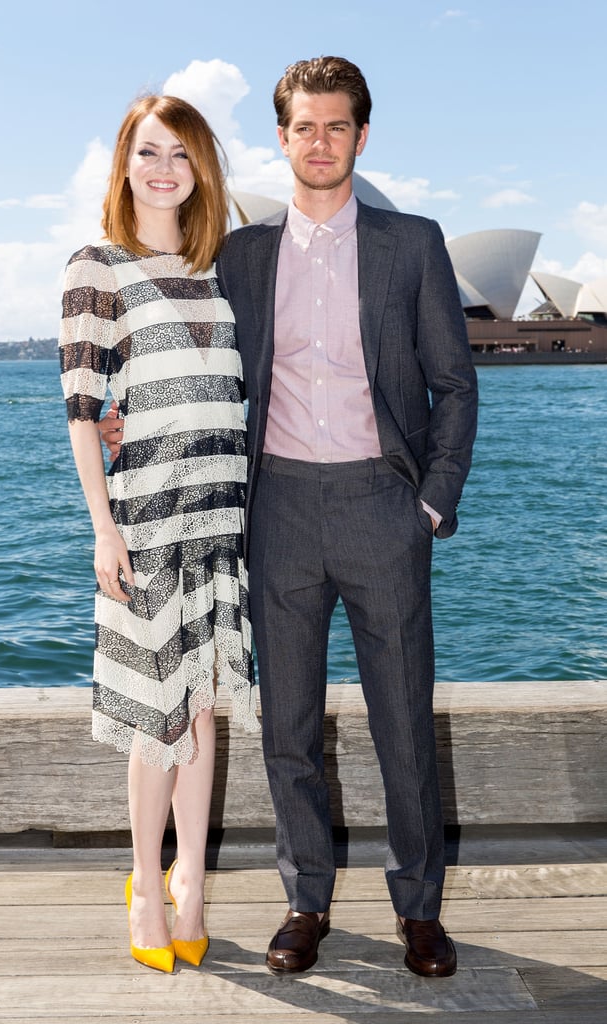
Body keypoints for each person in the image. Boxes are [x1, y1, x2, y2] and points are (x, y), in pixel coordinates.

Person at [101, 56, 478, 979]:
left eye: (336, 126)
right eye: (302, 127)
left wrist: (429, 505)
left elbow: (454, 387)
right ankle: (305, 899)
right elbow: (186, 359)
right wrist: (126, 419)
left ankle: (417, 911)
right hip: (272, 512)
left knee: (401, 722)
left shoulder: (413, 242)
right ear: (281, 137)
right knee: (287, 730)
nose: (319, 142)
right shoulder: (242, 254)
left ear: (359, 134)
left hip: (381, 506)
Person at [59, 93, 259, 975]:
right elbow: (80, 411)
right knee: (157, 717)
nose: (164, 168)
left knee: (204, 712)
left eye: (180, 153)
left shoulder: (226, 269)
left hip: (223, 524)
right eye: (148, 152)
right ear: (125, 164)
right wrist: (103, 530)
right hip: (146, 523)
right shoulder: (98, 266)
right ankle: (144, 883)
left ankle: (192, 888)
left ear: (201, 166)